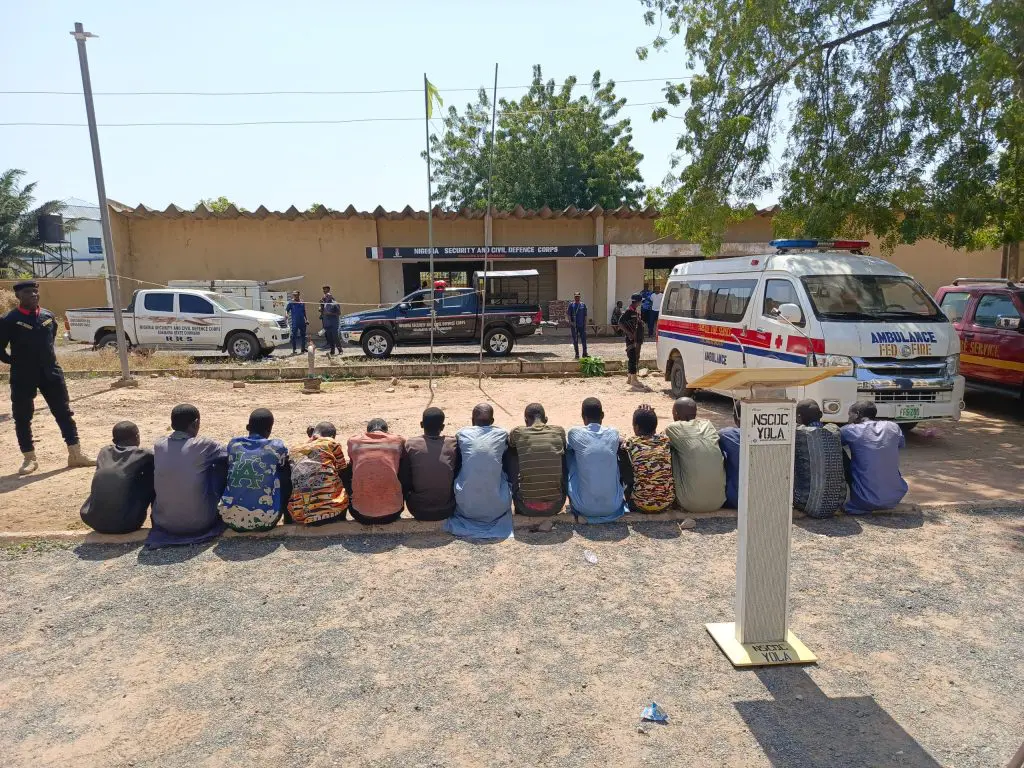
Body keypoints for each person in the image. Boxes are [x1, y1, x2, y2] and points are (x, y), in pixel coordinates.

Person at [0, 279, 95, 475]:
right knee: (22, 416)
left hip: (51, 372)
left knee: (64, 412)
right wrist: (16, 363)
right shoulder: (9, 320)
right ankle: (29, 458)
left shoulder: (48, 316)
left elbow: (50, 340)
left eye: (35, 291)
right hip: (23, 375)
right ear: (18, 296)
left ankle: (75, 454)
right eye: (28, 292)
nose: (33, 295)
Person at [147, 404, 228, 548]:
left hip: (163, 523)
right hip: (201, 523)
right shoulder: (205, 445)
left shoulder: (159, 445)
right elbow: (230, 454)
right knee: (217, 466)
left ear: (172, 424)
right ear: (196, 423)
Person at [445, 404, 514, 539]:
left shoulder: (462, 433)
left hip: (466, 507)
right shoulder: (502, 434)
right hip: (498, 507)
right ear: (492, 421)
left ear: (472, 420)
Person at [218, 408, 289, 532]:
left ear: (247, 427)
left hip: (230, 519)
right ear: (270, 429)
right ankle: (289, 519)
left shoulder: (234, 444)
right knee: (286, 471)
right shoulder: (276, 446)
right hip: (266, 521)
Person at [79, 421, 154, 534]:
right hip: (127, 524)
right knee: (153, 476)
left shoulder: (104, 452)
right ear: (137, 437)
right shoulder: (144, 455)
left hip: (92, 519)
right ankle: (158, 518)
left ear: (114, 441)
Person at [566, 397, 628, 523]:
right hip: (613, 506)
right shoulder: (613, 433)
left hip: (583, 507)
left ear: (583, 417)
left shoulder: (574, 433)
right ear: (603, 415)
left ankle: (571, 497)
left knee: (570, 455)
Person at [840, 401, 908, 514]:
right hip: (895, 498)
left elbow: (832, 442)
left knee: (838, 451)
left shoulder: (849, 430)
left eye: (850, 414)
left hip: (863, 501)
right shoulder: (893, 426)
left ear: (857, 414)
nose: (849, 418)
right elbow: (900, 444)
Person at [664, 397, 726, 513]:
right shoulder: (708, 425)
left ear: (676, 414)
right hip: (718, 501)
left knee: (669, 451)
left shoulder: (673, 429)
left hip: (689, 503)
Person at [507, 403, 567, 516]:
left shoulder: (518, 432)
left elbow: (510, 444)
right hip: (556, 506)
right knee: (562, 452)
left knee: (511, 452)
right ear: (546, 419)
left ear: (525, 420)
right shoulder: (559, 431)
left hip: (525, 507)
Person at [401, 407, 459, 521]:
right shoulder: (452, 443)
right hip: (447, 509)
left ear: (421, 424)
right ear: (442, 427)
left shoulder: (411, 444)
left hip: (418, 510)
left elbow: (405, 478)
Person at [793, 399, 847, 518]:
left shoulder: (798, 433)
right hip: (837, 503)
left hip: (803, 502)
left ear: (798, 417)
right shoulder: (835, 430)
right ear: (821, 415)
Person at [287, 421, 349, 525]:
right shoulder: (331, 443)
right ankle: (342, 517)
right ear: (332, 436)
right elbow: (342, 469)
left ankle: (288, 520)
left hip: (301, 517)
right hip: (332, 513)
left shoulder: (294, 449)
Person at [347, 418, 405, 525]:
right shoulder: (397, 441)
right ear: (386, 432)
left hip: (360, 514)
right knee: (400, 465)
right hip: (392, 514)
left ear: (367, 431)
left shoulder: (353, 442)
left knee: (349, 468)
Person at [623, 405, 675, 514]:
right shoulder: (665, 440)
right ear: (655, 426)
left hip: (639, 505)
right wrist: (649, 415)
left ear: (636, 427)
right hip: (666, 503)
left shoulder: (632, 443)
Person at [619, 293, 645, 386]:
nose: (640, 303)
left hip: (636, 338)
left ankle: (630, 378)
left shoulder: (635, 312)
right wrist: (629, 333)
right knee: (632, 358)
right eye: (640, 301)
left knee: (634, 357)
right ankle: (633, 379)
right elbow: (620, 324)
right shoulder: (628, 311)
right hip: (631, 338)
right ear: (637, 302)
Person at [718, 404, 741, 509]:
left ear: (735, 418)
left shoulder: (726, 434)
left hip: (735, 499)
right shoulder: (773, 438)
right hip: (766, 498)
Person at [566, 291, 589, 359]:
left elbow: (585, 315)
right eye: (576, 296)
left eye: (578, 296)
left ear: (580, 297)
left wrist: (585, 324)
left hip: (581, 325)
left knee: (584, 340)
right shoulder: (571, 305)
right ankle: (577, 354)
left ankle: (585, 353)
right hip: (574, 326)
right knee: (575, 340)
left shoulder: (583, 305)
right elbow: (568, 314)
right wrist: (571, 322)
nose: (577, 298)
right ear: (574, 297)